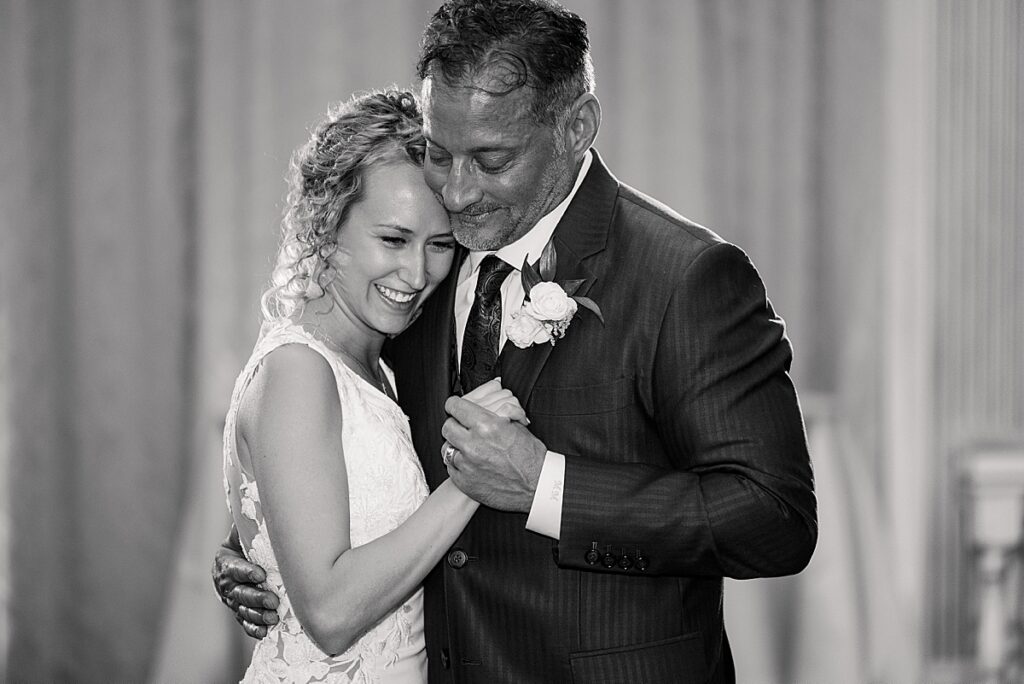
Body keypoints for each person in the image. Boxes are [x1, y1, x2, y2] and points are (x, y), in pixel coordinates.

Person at [215, 2, 818, 682]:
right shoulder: (425, 271)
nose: (459, 191)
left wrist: (545, 485)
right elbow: (344, 444)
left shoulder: (685, 278)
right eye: (441, 154)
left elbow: (774, 520)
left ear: (576, 127)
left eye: (492, 159)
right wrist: (261, 550)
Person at [219, 89, 528, 682]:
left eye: (439, 246)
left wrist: (238, 551)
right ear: (325, 224)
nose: (416, 275)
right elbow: (332, 614)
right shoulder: (298, 372)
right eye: (393, 239)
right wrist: (473, 472)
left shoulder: (381, 366)